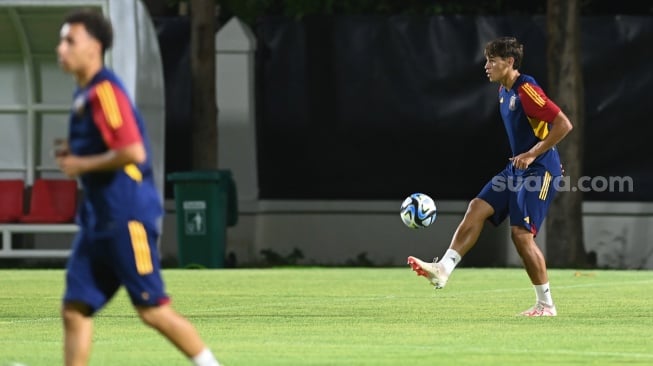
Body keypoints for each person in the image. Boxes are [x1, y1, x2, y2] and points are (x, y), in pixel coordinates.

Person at [55, 9, 222, 365]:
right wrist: (78, 152)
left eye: (70, 40)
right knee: (74, 309)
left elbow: (132, 150)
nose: (61, 48)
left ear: (94, 47)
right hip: (97, 223)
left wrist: (81, 163)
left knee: (152, 309)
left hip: (125, 218)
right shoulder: (84, 95)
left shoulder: (106, 92)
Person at [407, 37, 573, 317]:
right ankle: (443, 269)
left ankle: (546, 305)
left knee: (521, 236)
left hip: (538, 170)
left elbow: (563, 124)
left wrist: (537, 155)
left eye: (492, 61)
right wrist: (535, 152)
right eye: (486, 60)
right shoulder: (503, 91)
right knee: (477, 207)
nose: (486, 66)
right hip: (517, 168)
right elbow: (541, 131)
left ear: (509, 62)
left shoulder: (526, 90)